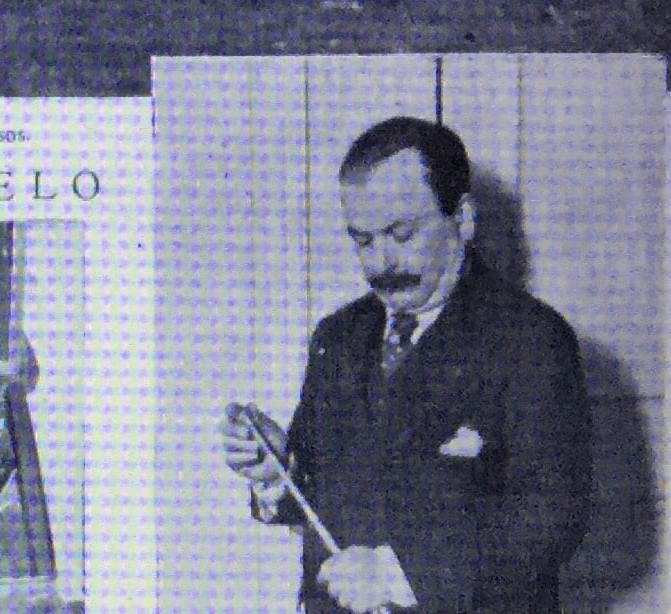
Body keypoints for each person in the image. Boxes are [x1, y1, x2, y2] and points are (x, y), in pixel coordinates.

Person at [219, 117, 589, 613]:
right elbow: (320, 493)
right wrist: (277, 472)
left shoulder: (532, 339)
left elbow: (552, 519)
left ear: (463, 218)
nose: (381, 264)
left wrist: (398, 574)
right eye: (363, 240)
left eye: (401, 234)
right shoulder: (338, 337)